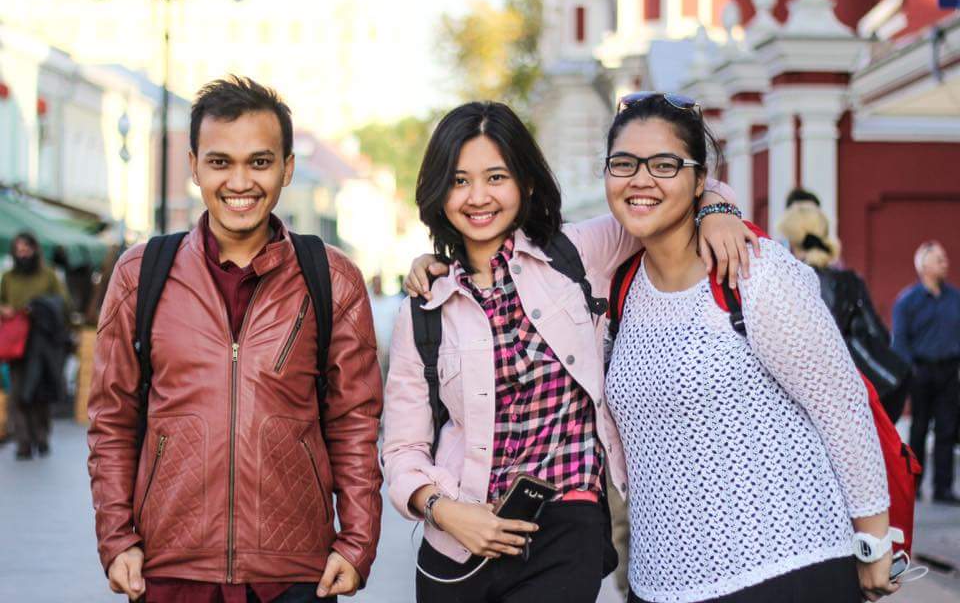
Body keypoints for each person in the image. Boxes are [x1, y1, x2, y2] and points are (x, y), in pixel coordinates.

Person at [384, 101, 755, 603]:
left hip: (565, 524)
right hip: (458, 542)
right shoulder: (425, 309)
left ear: (526, 183)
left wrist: (716, 208)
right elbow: (402, 449)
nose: (477, 197)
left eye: (496, 177)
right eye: (458, 181)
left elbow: (658, 196)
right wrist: (443, 509)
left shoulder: (578, 253)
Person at [87, 76, 383, 603]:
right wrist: (117, 540)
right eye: (220, 162)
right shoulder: (141, 272)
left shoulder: (331, 277)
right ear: (195, 165)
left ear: (288, 168)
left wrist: (357, 543)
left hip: (294, 572)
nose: (240, 181)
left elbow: (354, 422)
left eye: (260, 162)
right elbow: (112, 420)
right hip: (169, 569)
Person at [600, 94, 897, 603]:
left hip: (783, 568)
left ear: (700, 182)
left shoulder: (756, 274)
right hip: (660, 583)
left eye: (665, 165)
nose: (640, 179)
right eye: (623, 163)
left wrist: (873, 542)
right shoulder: (619, 282)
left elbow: (842, 405)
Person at [777, 202, 909, 421]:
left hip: (812, 403)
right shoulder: (849, 280)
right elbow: (880, 335)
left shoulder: (789, 282)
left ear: (792, 241)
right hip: (866, 396)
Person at [892, 241, 960, 504]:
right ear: (924, 266)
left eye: (944, 257)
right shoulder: (908, 301)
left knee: (946, 429)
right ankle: (914, 487)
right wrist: (910, 371)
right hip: (921, 372)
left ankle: (943, 488)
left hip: (948, 372)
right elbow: (901, 341)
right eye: (938, 258)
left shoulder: (955, 299)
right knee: (918, 428)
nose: (945, 262)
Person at [0, 232, 71, 460]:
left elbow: (64, 303)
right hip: (16, 342)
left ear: (34, 249)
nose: (22, 254)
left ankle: (41, 436)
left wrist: (38, 309)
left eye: (26, 249)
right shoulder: (8, 277)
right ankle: (23, 441)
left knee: (40, 391)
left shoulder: (48, 275)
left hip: (42, 343)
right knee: (18, 392)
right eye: (18, 250)